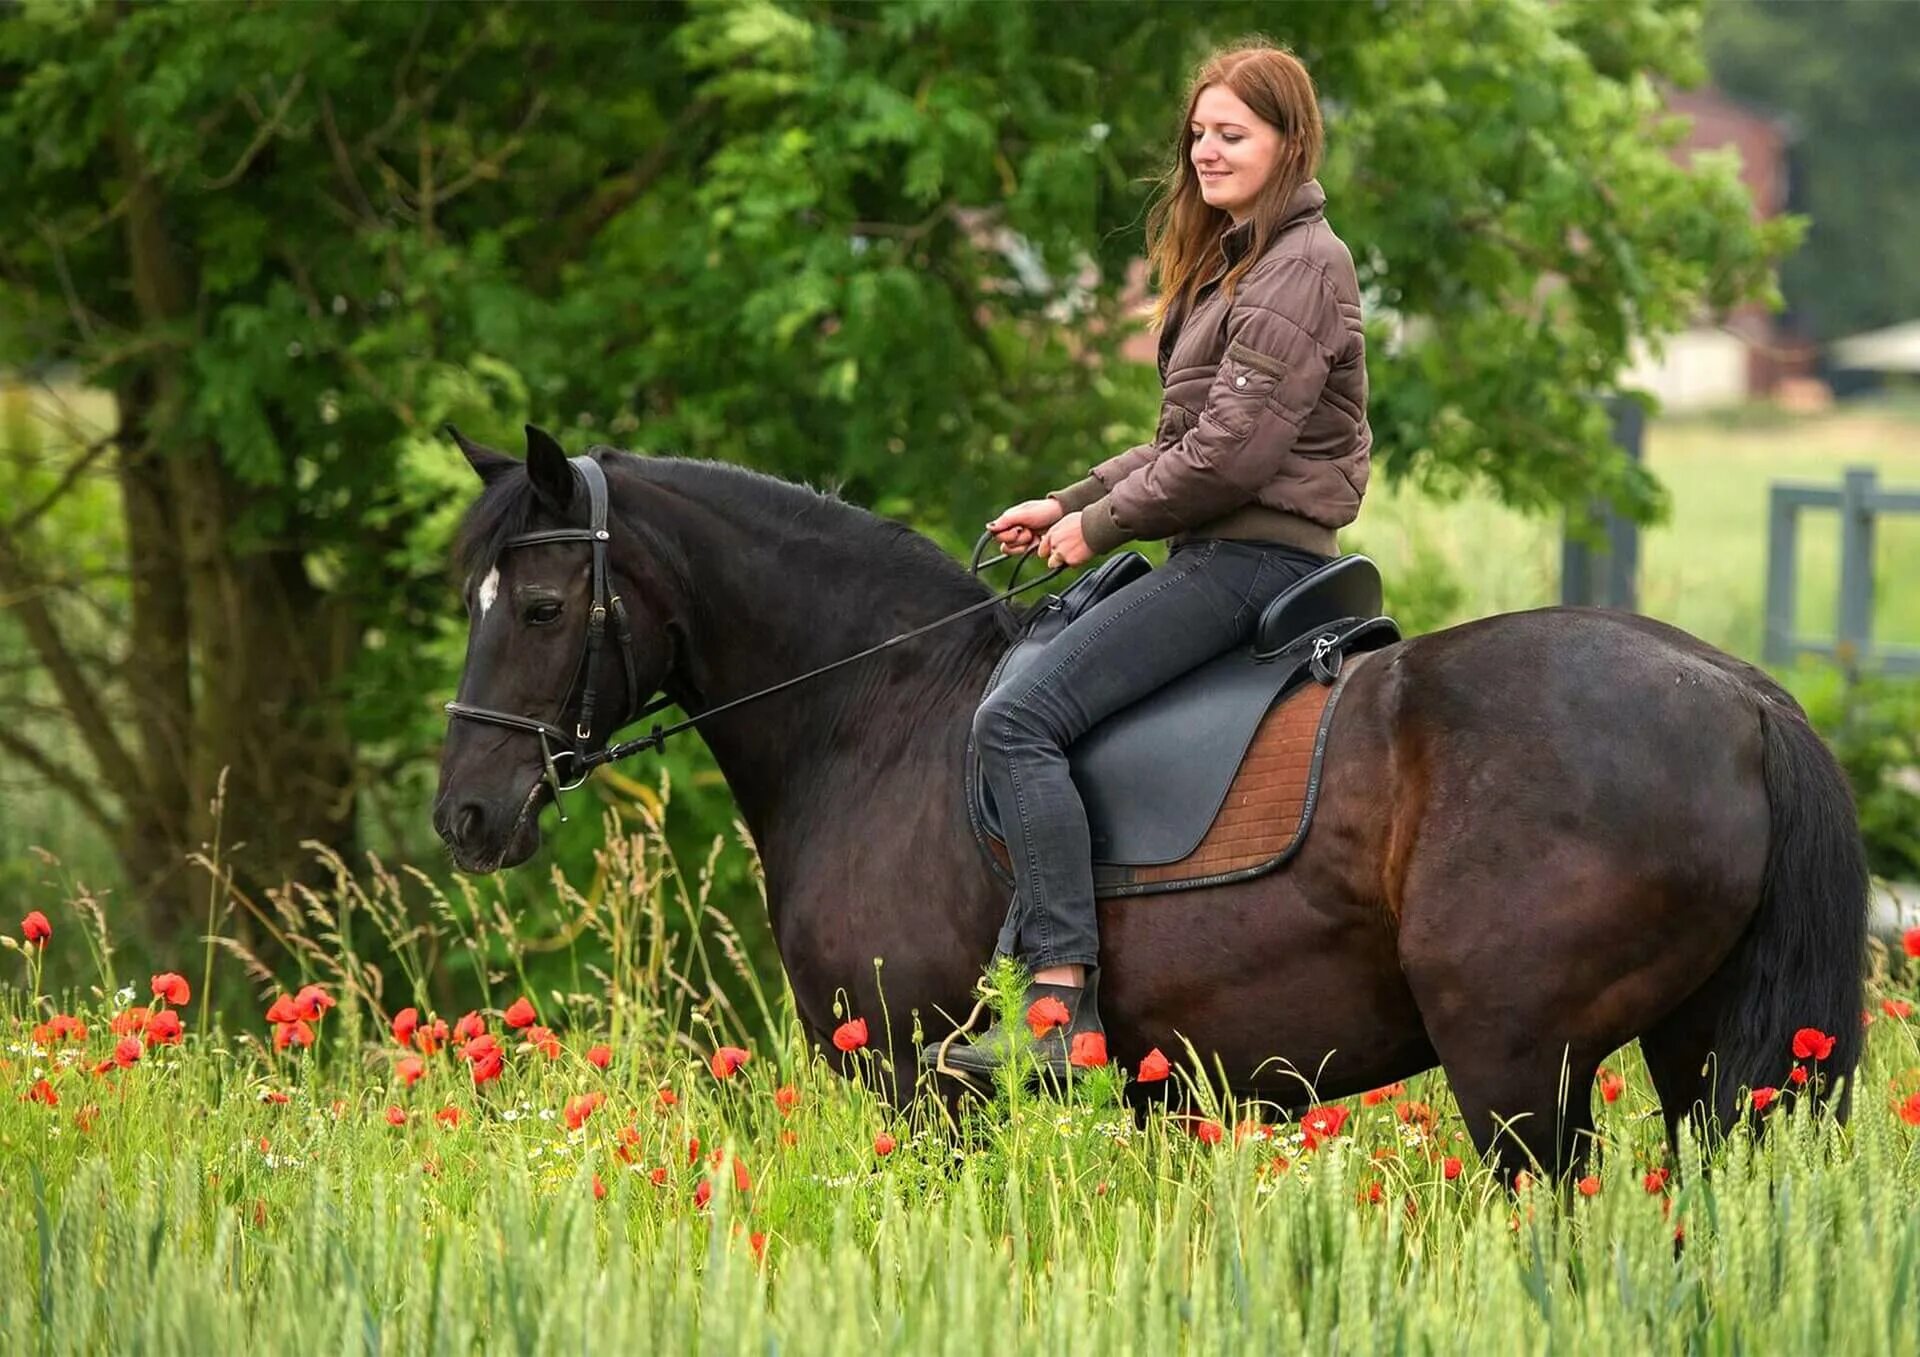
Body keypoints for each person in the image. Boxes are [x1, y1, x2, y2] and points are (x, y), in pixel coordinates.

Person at [922, 41, 1373, 1080]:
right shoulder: (1239, 258)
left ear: (1290, 141)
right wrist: (1072, 500)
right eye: (1200, 134)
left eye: (1234, 134)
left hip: (1251, 559)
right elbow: (1185, 438)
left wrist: (1104, 527)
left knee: (1018, 718)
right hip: (1216, 538)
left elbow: (1234, 455)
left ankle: (1057, 1003)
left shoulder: (1303, 266)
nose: (1208, 152)